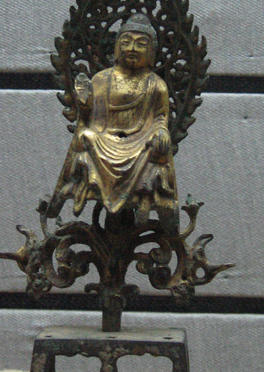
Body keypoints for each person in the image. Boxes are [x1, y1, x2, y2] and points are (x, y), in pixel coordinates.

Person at [47, 14, 179, 233]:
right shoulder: (101, 79)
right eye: (126, 42)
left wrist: (161, 131)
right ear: (117, 47)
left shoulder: (156, 85)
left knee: (156, 146)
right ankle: (85, 189)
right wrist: (84, 104)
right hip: (104, 138)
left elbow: (160, 119)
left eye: (141, 44)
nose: (132, 49)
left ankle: (144, 195)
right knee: (86, 136)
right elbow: (91, 121)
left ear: (152, 52)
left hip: (140, 141)